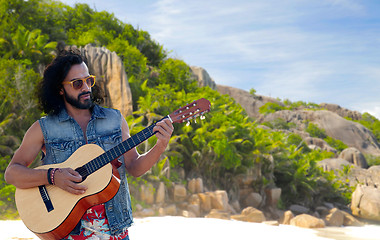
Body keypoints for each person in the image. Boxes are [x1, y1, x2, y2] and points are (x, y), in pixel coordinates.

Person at [5, 50, 174, 239]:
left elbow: (134, 167)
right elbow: (12, 173)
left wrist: (160, 145)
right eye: (77, 83)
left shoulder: (114, 120)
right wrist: (53, 176)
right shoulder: (43, 128)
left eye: (89, 81)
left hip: (115, 231)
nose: (86, 87)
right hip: (68, 232)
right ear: (60, 89)